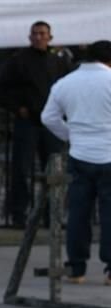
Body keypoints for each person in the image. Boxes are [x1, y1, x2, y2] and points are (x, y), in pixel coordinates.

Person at [41, 40, 111, 286]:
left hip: (79, 154)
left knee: (78, 213)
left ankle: (76, 267)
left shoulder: (65, 83)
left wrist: (72, 134)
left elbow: (48, 117)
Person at [0, 21, 73, 228]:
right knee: (21, 169)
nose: (38, 37)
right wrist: (18, 108)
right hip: (28, 121)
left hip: (52, 122)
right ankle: (19, 215)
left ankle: (52, 215)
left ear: (50, 37)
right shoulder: (19, 61)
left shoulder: (58, 61)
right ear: (30, 37)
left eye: (42, 33)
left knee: (54, 170)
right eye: (35, 34)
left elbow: (68, 87)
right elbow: (1, 90)